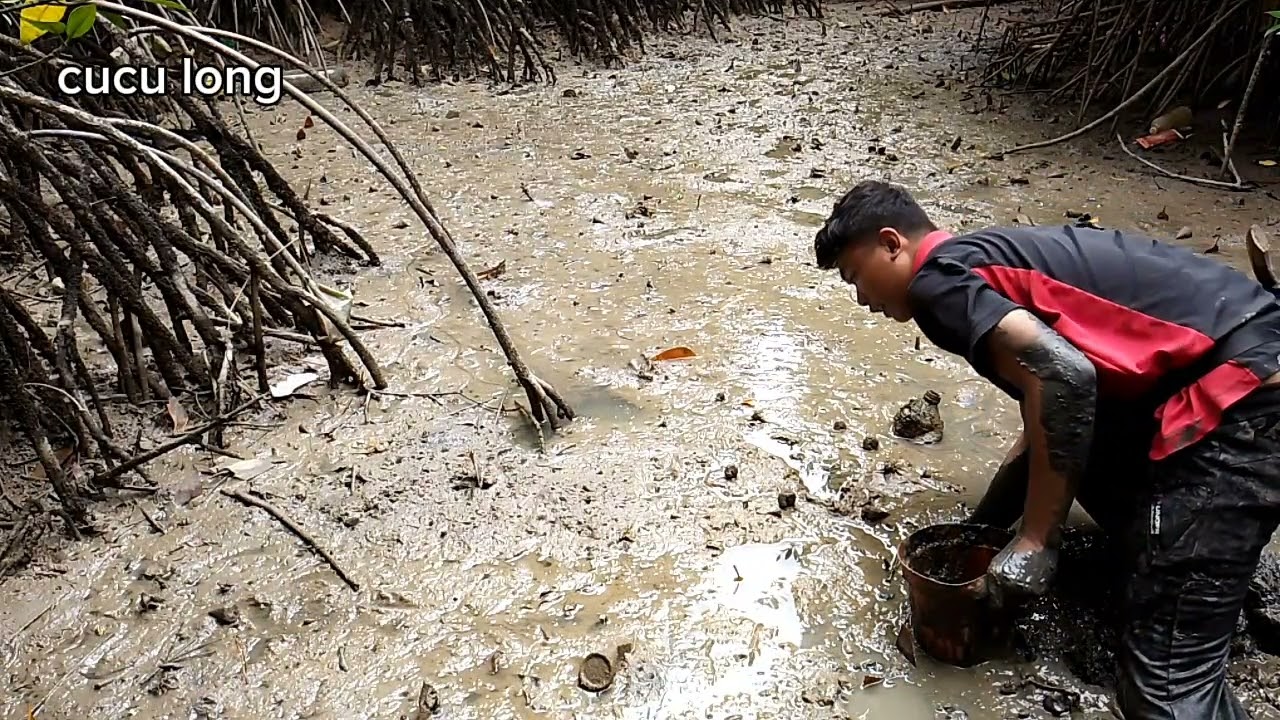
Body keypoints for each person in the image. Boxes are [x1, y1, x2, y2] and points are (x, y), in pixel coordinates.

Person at [813, 180, 1280, 719]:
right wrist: (983, 530)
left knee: (1167, 691)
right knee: (1084, 447)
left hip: (1243, 397)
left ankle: (1186, 599)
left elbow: (1066, 377)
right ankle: (1179, 574)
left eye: (855, 276)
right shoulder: (987, 259)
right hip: (1244, 356)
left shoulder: (937, 284)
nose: (861, 299)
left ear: (892, 243)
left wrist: (1035, 543)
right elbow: (1055, 419)